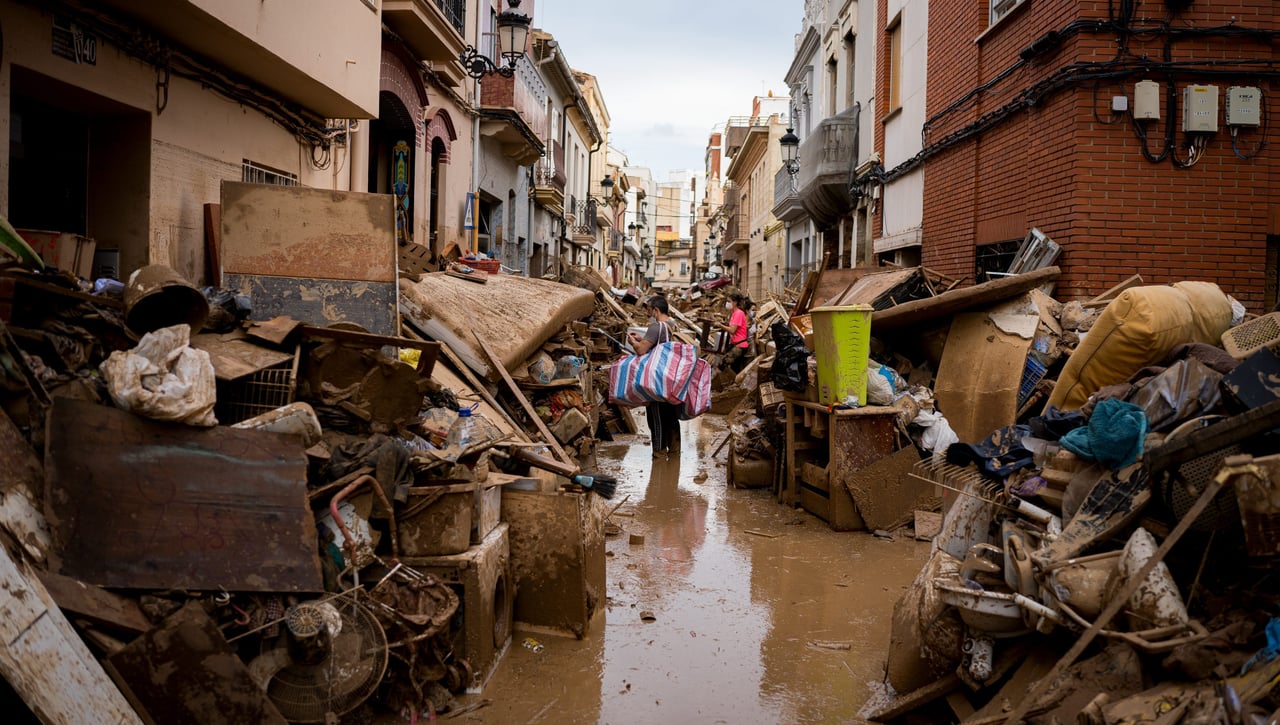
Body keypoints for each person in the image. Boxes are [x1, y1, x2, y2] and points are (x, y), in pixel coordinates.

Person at [627, 296, 682, 458]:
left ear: (656, 310)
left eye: (649, 309)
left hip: (657, 381)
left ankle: (658, 456)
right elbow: (660, 345)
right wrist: (642, 340)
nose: (647, 312)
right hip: (671, 379)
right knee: (671, 417)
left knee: (656, 418)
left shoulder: (656, 326)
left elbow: (641, 350)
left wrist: (633, 342)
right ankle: (674, 455)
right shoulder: (673, 324)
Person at [718, 294, 753, 374]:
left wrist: (720, 325)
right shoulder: (733, 313)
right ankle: (731, 383)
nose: (727, 303)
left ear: (735, 302)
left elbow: (733, 330)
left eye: (729, 301)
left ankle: (725, 382)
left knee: (724, 363)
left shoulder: (738, 313)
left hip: (740, 346)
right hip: (735, 344)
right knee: (733, 367)